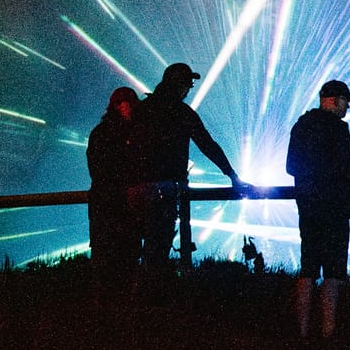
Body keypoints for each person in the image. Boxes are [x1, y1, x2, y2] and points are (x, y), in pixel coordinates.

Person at [127, 62, 248, 297]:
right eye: (187, 85)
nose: (189, 90)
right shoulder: (181, 113)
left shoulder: (143, 109)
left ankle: (128, 300)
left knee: (135, 246)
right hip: (165, 188)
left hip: (136, 188)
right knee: (158, 245)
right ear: (179, 86)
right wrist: (232, 175)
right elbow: (207, 145)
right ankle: (150, 302)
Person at [287, 78, 350, 340]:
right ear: (332, 100)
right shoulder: (339, 129)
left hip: (307, 206)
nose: (347, 107)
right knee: (334, 271)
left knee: (308, 268)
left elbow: (291, 167)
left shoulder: (301, 125)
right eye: (345, 101)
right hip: (335, 207)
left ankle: (302, 333)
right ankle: (328, 334)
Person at [85, 86, 141, 301]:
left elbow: (96, 171)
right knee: (125, 256)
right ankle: (121, 308)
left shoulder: (99, 133)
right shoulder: (129, 133)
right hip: (120, 205)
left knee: (104, 259)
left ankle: (104, 310)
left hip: (102, 205)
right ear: (119, 105)